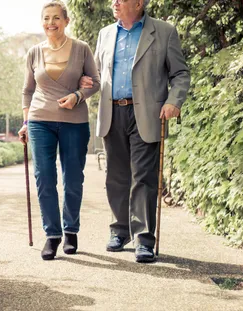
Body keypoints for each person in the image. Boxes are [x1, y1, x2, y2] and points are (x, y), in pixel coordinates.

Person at [94, 0, 190, 263]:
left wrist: (174, 101)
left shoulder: (164, 31)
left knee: (144, 177)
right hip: (112, 111)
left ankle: (144, 239)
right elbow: (96, 73)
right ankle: (120, 231)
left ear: (138, 3)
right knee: (116, 176)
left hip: (147, 113)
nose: (115, 3)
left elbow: (180, 74)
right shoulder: (105, 34)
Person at [17, 1, 100, 260]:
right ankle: (52, 235)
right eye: (46, 18)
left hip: (74, 121)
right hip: (40, 120)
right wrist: (26, 122)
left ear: (66, 21)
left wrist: (77, 95)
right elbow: (28, 91)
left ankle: (71, 230)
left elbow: (95, 83)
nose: (50, 23)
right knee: (44, 178)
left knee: (73, 178)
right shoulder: (34, 52)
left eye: (56, 18)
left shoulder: (81, 49)